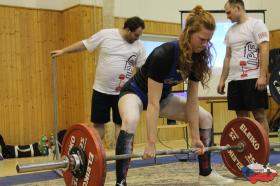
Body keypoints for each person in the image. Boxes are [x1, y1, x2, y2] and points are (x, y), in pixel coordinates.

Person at [115, 5, 234, 186]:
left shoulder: (197, 59)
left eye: (208, 41)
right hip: (135, 93)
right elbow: (152, 104)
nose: (205, 44)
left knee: (205, 118)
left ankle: (205, 173)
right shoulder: (164, 54)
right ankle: (120, 182)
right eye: (202, 39)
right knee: (131, 119)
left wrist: (195, 137)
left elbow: (192, 103)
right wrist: (151, 142)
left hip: (162, 98)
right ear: (188, 33)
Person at [50, 17, 146, 140]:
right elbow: (85, 44)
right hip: (101, 90)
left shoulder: (139, 46)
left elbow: (141, 71)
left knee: (122, 124)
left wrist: (142, 91)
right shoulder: (106, 34)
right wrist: (64, 51)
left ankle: (122, 158)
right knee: (98, 124)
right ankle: (97, 157)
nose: (137, 38)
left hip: (124, 93)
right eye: (136, 35)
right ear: (127, 29)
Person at [217, 0, 270, 134]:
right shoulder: (230, 31)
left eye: (228, 12)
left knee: (259, 116)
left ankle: (264, 152)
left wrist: (262, 75)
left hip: (253, 78)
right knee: (241, 119)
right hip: (235, 80)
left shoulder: (256, 24)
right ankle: (247, 153)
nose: (227, 16)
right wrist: (222, 80)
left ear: (238, 8)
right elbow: (227, 57)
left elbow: (264, 49)